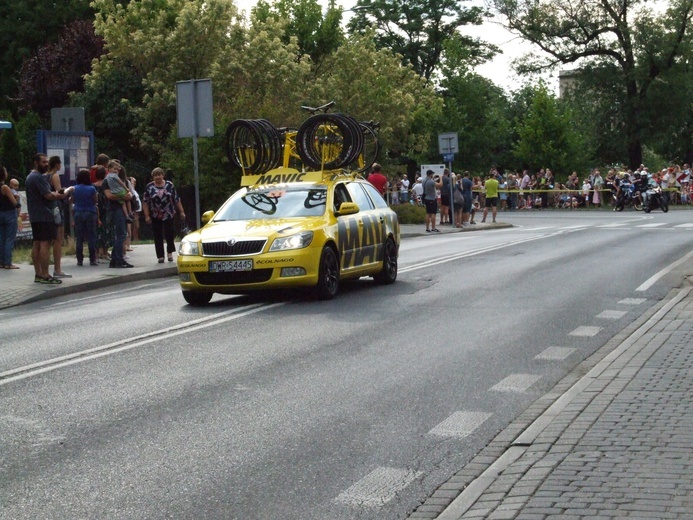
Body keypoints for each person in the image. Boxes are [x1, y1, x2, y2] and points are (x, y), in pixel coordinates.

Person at [26, 153, 68, 284]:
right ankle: (45, 274)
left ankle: (38, 273)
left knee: (37, 243)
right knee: (45, 243)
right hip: (44, 214)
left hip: (35, 215)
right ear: (36, 163)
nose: (46, 164)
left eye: (47, 162)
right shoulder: (38, 177)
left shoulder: (30, 177)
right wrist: (60, 194)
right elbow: (48, 195)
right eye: (43, 162)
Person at [143, 167, 186, 263]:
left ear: (163, 175)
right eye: (155, 175)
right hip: (155, 214)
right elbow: (145, 202)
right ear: (153, 177)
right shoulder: (149, 187)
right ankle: (160, 256)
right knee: (157, 235)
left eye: (159, 175)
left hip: (169, 213)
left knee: (170, 233)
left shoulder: (169, 185)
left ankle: (170, 252)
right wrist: (147, 215)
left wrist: (181, 211)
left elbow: (176, 199)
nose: (158, 177)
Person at [103, 164, 133, 268]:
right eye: (114, 169)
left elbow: (129, 193)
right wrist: (123, 196)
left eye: (118, 169)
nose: (116, 171)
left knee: (121, 234)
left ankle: (115, 259)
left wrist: (127, 196)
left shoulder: (117, 179)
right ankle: (118, 259)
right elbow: (109, 196)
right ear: (109, 169)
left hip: (120, 207)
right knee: (121, 234)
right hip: (114, 209)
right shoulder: (107, 181)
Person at [46, 156, 72, 278]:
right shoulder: (54, 176)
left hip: (47, 208)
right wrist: (68, 190)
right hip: (57, 207)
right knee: (58, 239)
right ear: (57, 165)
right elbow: (59, 193)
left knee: (47, 240)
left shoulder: (43, 176)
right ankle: (58, 269)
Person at [71, 169, 99, 266]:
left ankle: (79, 259)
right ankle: (92, 259)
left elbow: (72, 200)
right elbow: (95, 200)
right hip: (90, 212)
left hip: (78, 212)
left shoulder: (74, 188)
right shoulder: (91, 189)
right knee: (91, 236)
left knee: (79, 237)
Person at [0, 165, 22, 269]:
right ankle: (8, 262)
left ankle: (1, 262)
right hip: (9, 214)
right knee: (9, 239)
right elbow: (13, 202)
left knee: (2, 238)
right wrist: (16, 199)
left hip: (0, 213)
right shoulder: (5, 187)